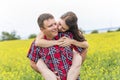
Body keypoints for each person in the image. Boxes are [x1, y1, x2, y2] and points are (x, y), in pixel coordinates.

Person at [27, 12, 88, 80]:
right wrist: (47, 73)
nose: (56, 27)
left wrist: (77, 68)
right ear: (42, 29)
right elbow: (33, 63)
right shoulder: (37, 43)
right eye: (50, 26)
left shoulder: (67, 36)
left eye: (55, 24)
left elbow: (84, 48)